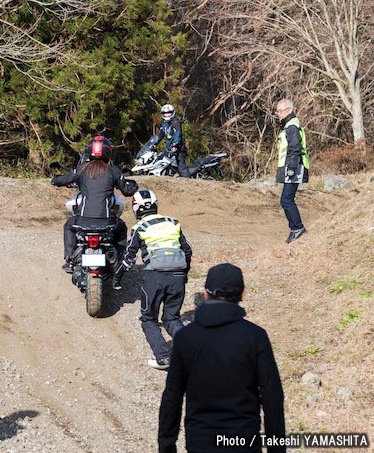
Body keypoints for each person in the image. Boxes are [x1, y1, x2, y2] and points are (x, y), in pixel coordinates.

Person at [158, 263, 286, 453]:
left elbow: (172, 397)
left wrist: (167, 447)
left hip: (200, 444)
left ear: (206, 294)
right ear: (242, 294)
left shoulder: (186, 337)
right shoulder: (255, 337)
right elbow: (272, 398)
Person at [113, 189, 192, 370]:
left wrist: (117, 278)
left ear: (136, 210)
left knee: (149, 319)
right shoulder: (173, 223)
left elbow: (128, 259)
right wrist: (184, 274)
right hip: (178, 275)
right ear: (155, 205)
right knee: (172, 318)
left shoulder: (139, 228)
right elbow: (187, 251)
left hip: (154, 276)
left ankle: (163, 357)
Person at [52, 136, 138, 273]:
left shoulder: (82, 169)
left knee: (69, 225)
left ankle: (69, 258)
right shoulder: (113, 170)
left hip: (83, 220)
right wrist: (134, 185)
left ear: (89, 151)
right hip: (107, 221)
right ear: (108, 152)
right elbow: (127, 191)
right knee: (121, 227)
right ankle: (120, 258)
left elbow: (65, 179)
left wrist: (55, 180)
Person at [275, 99, 309, 243]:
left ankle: (297, 228)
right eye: (277, 111)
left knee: (286, 200)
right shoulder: (289, 125)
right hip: (291, 167)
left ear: (289, 110)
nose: (278, 114)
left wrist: (291, 169)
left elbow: (295, 148)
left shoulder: (292, 126)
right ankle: (296, 228)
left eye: (280, 111)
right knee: (286, 200)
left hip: (293, 168)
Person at [150, 104, 189, 178]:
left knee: (181, 167)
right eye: (165, 113)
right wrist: (154, 144)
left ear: (172, 113)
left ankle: (190, 182)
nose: (167, 115)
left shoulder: (175, 122)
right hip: (170, 150)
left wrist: (175, 145)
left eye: (169, 113)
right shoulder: (164, 124)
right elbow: (160, 135)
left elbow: (178, 134)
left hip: (179, 149)